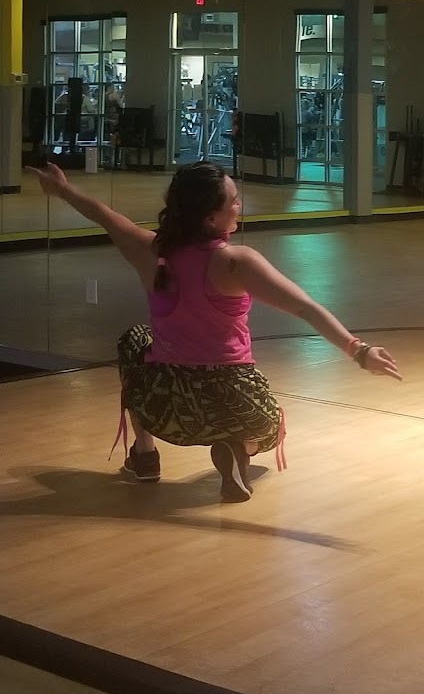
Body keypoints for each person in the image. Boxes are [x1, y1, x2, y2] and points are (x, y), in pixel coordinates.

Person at [27, 160, 402, 502]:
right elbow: (305, 307)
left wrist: (62, 190)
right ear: (210, 217)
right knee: (272, 429)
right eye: (234, 201)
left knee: (134, 339)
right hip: (231, 402)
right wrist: (358, 350)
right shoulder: (235, 262)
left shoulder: (150, 250)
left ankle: (145, 454)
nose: (240, 205)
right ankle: (239, 447)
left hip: (165, 407)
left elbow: (105, 216)